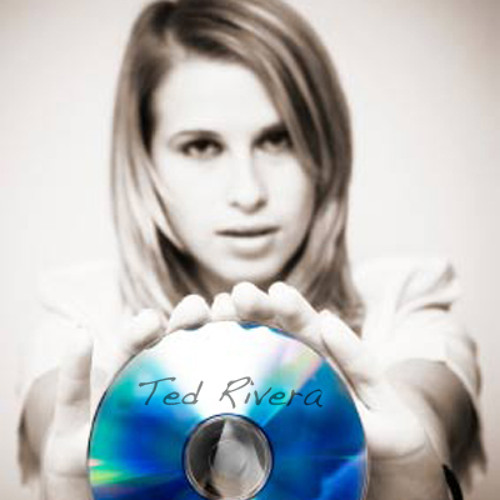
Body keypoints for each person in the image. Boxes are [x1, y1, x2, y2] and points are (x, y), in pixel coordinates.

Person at [17, 0, 485, 499]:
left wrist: (407, 474)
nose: (248, 192)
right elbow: (61, 425)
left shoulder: (407, 300)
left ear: (328, 149)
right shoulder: (80, 316)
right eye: (201, 146)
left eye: (279, 140)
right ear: (145, 161)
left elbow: (421, 412)